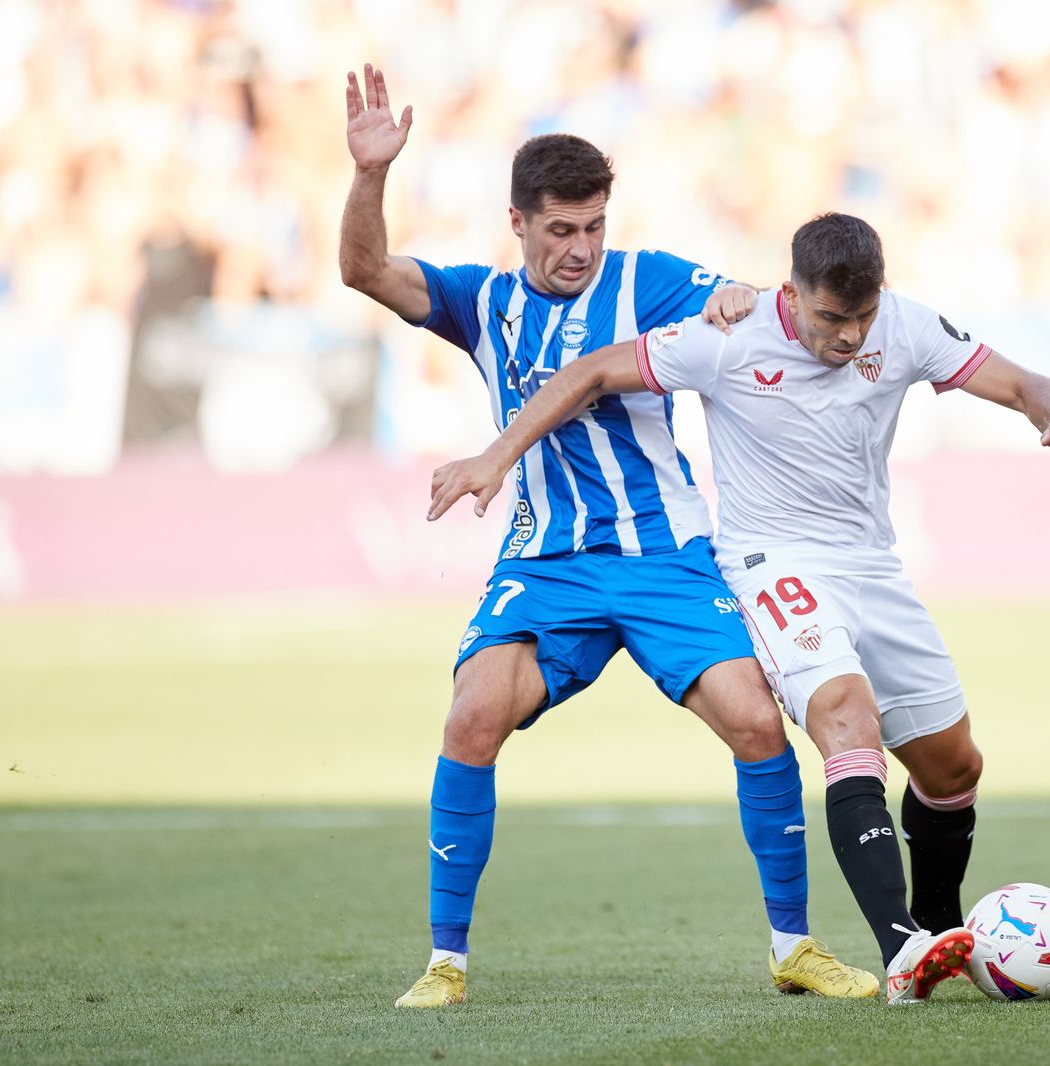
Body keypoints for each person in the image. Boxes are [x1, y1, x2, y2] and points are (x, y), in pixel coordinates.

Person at [427, 212, 1050, 1005]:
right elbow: (588, 373)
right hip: (770, 562)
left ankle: (934, 918)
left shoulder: (905, 325)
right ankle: (900, 950)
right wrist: (496, 456)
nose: (850, 336)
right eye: (831, 317)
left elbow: (1025, 381)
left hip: (871, 564)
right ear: (793, 293)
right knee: (845, 716)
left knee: (954, 766)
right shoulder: (729, 337)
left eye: (861, 316)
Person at [339, 66, 875, 1007]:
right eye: (560, 229)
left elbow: (741, 297)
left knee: (757, 721)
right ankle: (446, 964)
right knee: (472, 714)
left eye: (593, 226)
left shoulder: (649, 280)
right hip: (547, 563)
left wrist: (734, 301)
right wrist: (372, 175)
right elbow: (364, 272)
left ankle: (792, 945)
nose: (581, 248)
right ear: (518, 224)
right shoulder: (482, 303)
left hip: (666, 554)